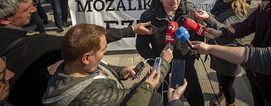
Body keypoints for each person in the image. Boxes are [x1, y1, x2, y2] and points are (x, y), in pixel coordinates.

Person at [42, 23, 173, 106]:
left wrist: (119, 72)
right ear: (86, 58)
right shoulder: (91, 97)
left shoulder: (73, 63)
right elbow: (135, 97)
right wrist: (163, 64)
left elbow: (98, 70)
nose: (106, 50)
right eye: (103, 49)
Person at [136, 0, 204, 106]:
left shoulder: (189, 11)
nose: (174, 0)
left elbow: (199, 34)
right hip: (164, 71)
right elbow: (141, 45)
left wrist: (195, 51)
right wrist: (158, 62)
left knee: (197, 101)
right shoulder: (148, 17)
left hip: (187, 66)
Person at [0, 0, 62, 106]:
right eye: (27, 8)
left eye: (32, 4)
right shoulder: (33, 45)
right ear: (5, 19)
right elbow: (82, 42)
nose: (34, 9)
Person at [194, 0, 249, 106]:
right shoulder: (220, 5)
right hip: (217, 50)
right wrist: (208, 32)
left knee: (227, 86)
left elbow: (224, 29)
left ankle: (231, 102)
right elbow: (215, 29)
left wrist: (208, 18)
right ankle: (221, 94)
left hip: (230, 54)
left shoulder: (239, 11)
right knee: (220, 80)